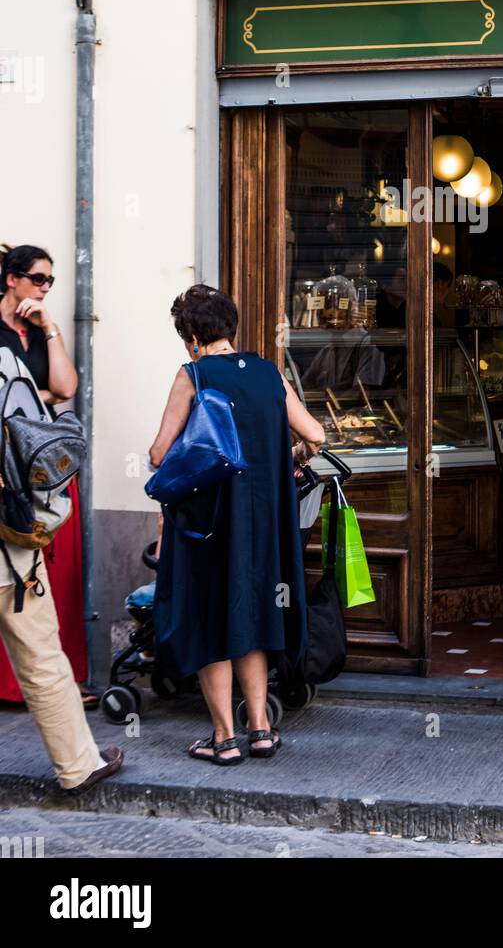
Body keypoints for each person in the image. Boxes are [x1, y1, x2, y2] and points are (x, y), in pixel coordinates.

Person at [149, 284, 325, 765]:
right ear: (232, 325)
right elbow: (316, 434)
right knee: (251, 616)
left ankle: (225, 739)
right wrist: (287, 455)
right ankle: (261, 730)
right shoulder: (269, 373)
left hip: (207, 523)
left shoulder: (194, 375)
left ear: (190, 334)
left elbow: (160, 454)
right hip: (263, 523)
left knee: (209, 621)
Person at [0, 243, 92, 706]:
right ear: (11, 278)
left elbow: (65, 388)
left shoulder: (34, 331)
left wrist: (50, 328)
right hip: (5, 468)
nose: (45, 288)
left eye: (50, 281)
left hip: (38, 464)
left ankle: (55, 680)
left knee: (46, 565)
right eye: (38, 279)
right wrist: (37, 399)